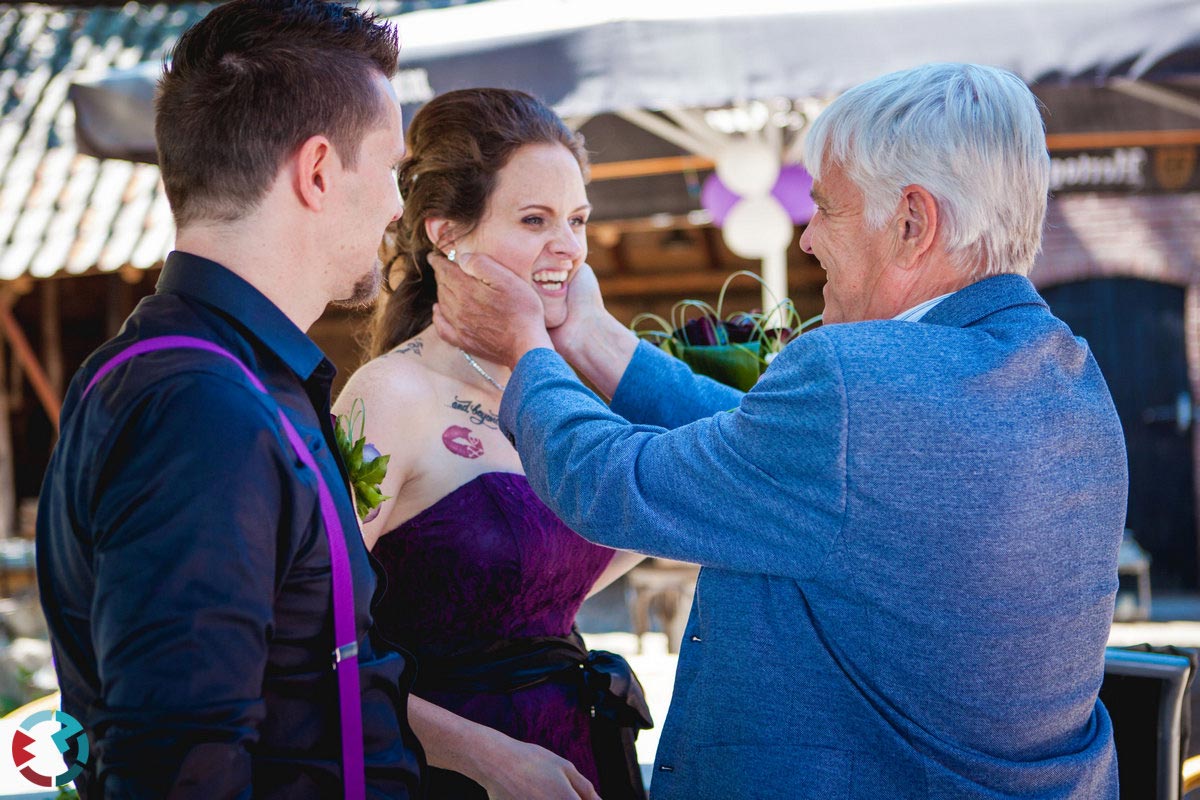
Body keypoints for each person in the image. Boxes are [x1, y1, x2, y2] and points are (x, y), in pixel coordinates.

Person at [429, 63, 1129, 798]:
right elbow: (761, 447)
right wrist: (597, 341)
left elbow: (613, 485)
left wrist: (526, 354)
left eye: (828, 208)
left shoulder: (857, 379)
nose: (807, 241)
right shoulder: (1070, 374)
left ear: (913, 224)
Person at [36, 4, 596, 799]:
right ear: (320, 171)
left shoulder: (243, 381)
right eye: (390, 169)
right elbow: (181, 763)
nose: (398, 210)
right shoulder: (200, 407)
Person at [333, 88, 651, 800]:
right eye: (535, 219)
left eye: (577, 220)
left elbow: (678, 495)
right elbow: (316, 644)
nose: (567, 246)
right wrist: (489, 759)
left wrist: (590, 341)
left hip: (580, 751)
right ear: (448, 233)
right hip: (451, 775)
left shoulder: (562, 393)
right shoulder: (388, 398)